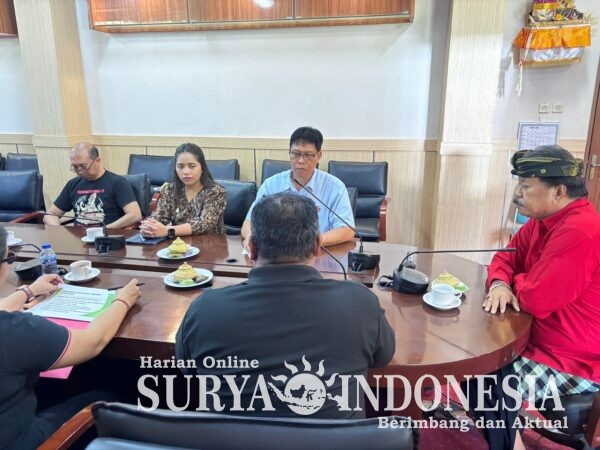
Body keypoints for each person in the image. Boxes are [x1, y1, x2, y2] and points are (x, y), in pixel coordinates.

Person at [176, 193, 395, 418]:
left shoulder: (205, 310)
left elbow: (187, 369)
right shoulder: (360, 303)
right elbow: (382, 357)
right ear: (318, 245)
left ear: (251, 247)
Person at [473, 145, 599, 450]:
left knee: (483, 381)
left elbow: (536, 299)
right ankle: (512, 437)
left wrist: (516, 280)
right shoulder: (541, 221)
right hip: (534, 337)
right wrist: (500, 283)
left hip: (571, 358)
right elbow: (505, 257)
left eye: (526, 187)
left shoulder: (580, 229)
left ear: (559, 192)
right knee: (479, 365)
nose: (517, 193)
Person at [0, 225, 141, 449]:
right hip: (23, 442)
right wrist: (123, 299)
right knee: (110, 394)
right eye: (9, 259)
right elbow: (93, 341)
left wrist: (28, 291)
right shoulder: (13, 329)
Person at [241, 126, 355, 247]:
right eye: (296, 154)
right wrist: (250, 237)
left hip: (318, 252)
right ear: (289, 153)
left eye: (308, 155)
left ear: (318, 156)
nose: (301, 160)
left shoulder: (335, 187)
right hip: (276, 252)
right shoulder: (271, 185)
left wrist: (313, 243)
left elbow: (347, 230)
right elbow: (248, 223)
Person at [44, 142, 142, 229]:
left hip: (107, 237)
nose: (79, 171)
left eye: (83, 166)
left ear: (97, 161)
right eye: (75, 167)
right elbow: (50, 214)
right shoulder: (72, 184)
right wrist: (57, 228)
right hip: (79, 238)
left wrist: (104, 229)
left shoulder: (118, 182)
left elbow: (135, 215)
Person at [140, 143, 226, 238]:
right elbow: (159, 216)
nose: (186, 172)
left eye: (192, 166)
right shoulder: (170, 190)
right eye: (180, 166)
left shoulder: (216, 192)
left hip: (210, 243)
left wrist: (168, 231)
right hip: (177, 244)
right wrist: (149, 226)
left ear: (202, 168)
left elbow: (204, 223)